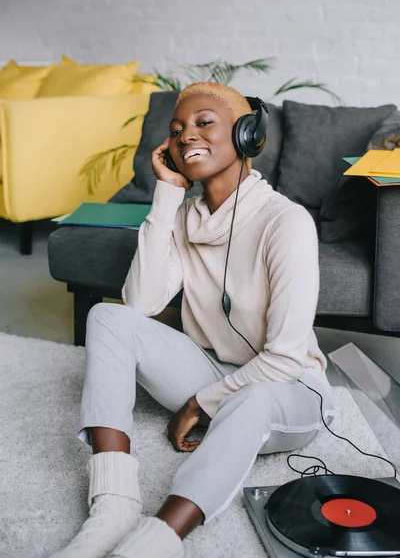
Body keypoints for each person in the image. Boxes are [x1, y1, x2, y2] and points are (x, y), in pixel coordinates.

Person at [52, 82, 334, 558]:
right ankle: (114, 502)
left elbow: (284, 358)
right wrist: (166, 196)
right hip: (214, 370)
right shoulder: (186, 218)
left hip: (287, 390)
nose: (186, 137)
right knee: (106, 316)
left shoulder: (287, 222)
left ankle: (160, 539)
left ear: (247, 135)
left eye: (204, 123)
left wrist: (202, 402)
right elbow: (139, 304)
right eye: (177, 130)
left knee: (256, 395)